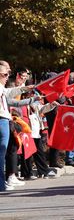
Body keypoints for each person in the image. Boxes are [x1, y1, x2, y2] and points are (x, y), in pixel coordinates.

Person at [0, 60, 34, 191]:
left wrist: (25, 89)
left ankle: (3, 183)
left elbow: (9, 94)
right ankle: (3, 182)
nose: (8, 77)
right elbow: (11, 100)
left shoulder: (2, 87)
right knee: (3, 153)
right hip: (2, 119)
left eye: (8, 74)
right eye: (5, 74)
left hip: (4, 120)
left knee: (4, 153)